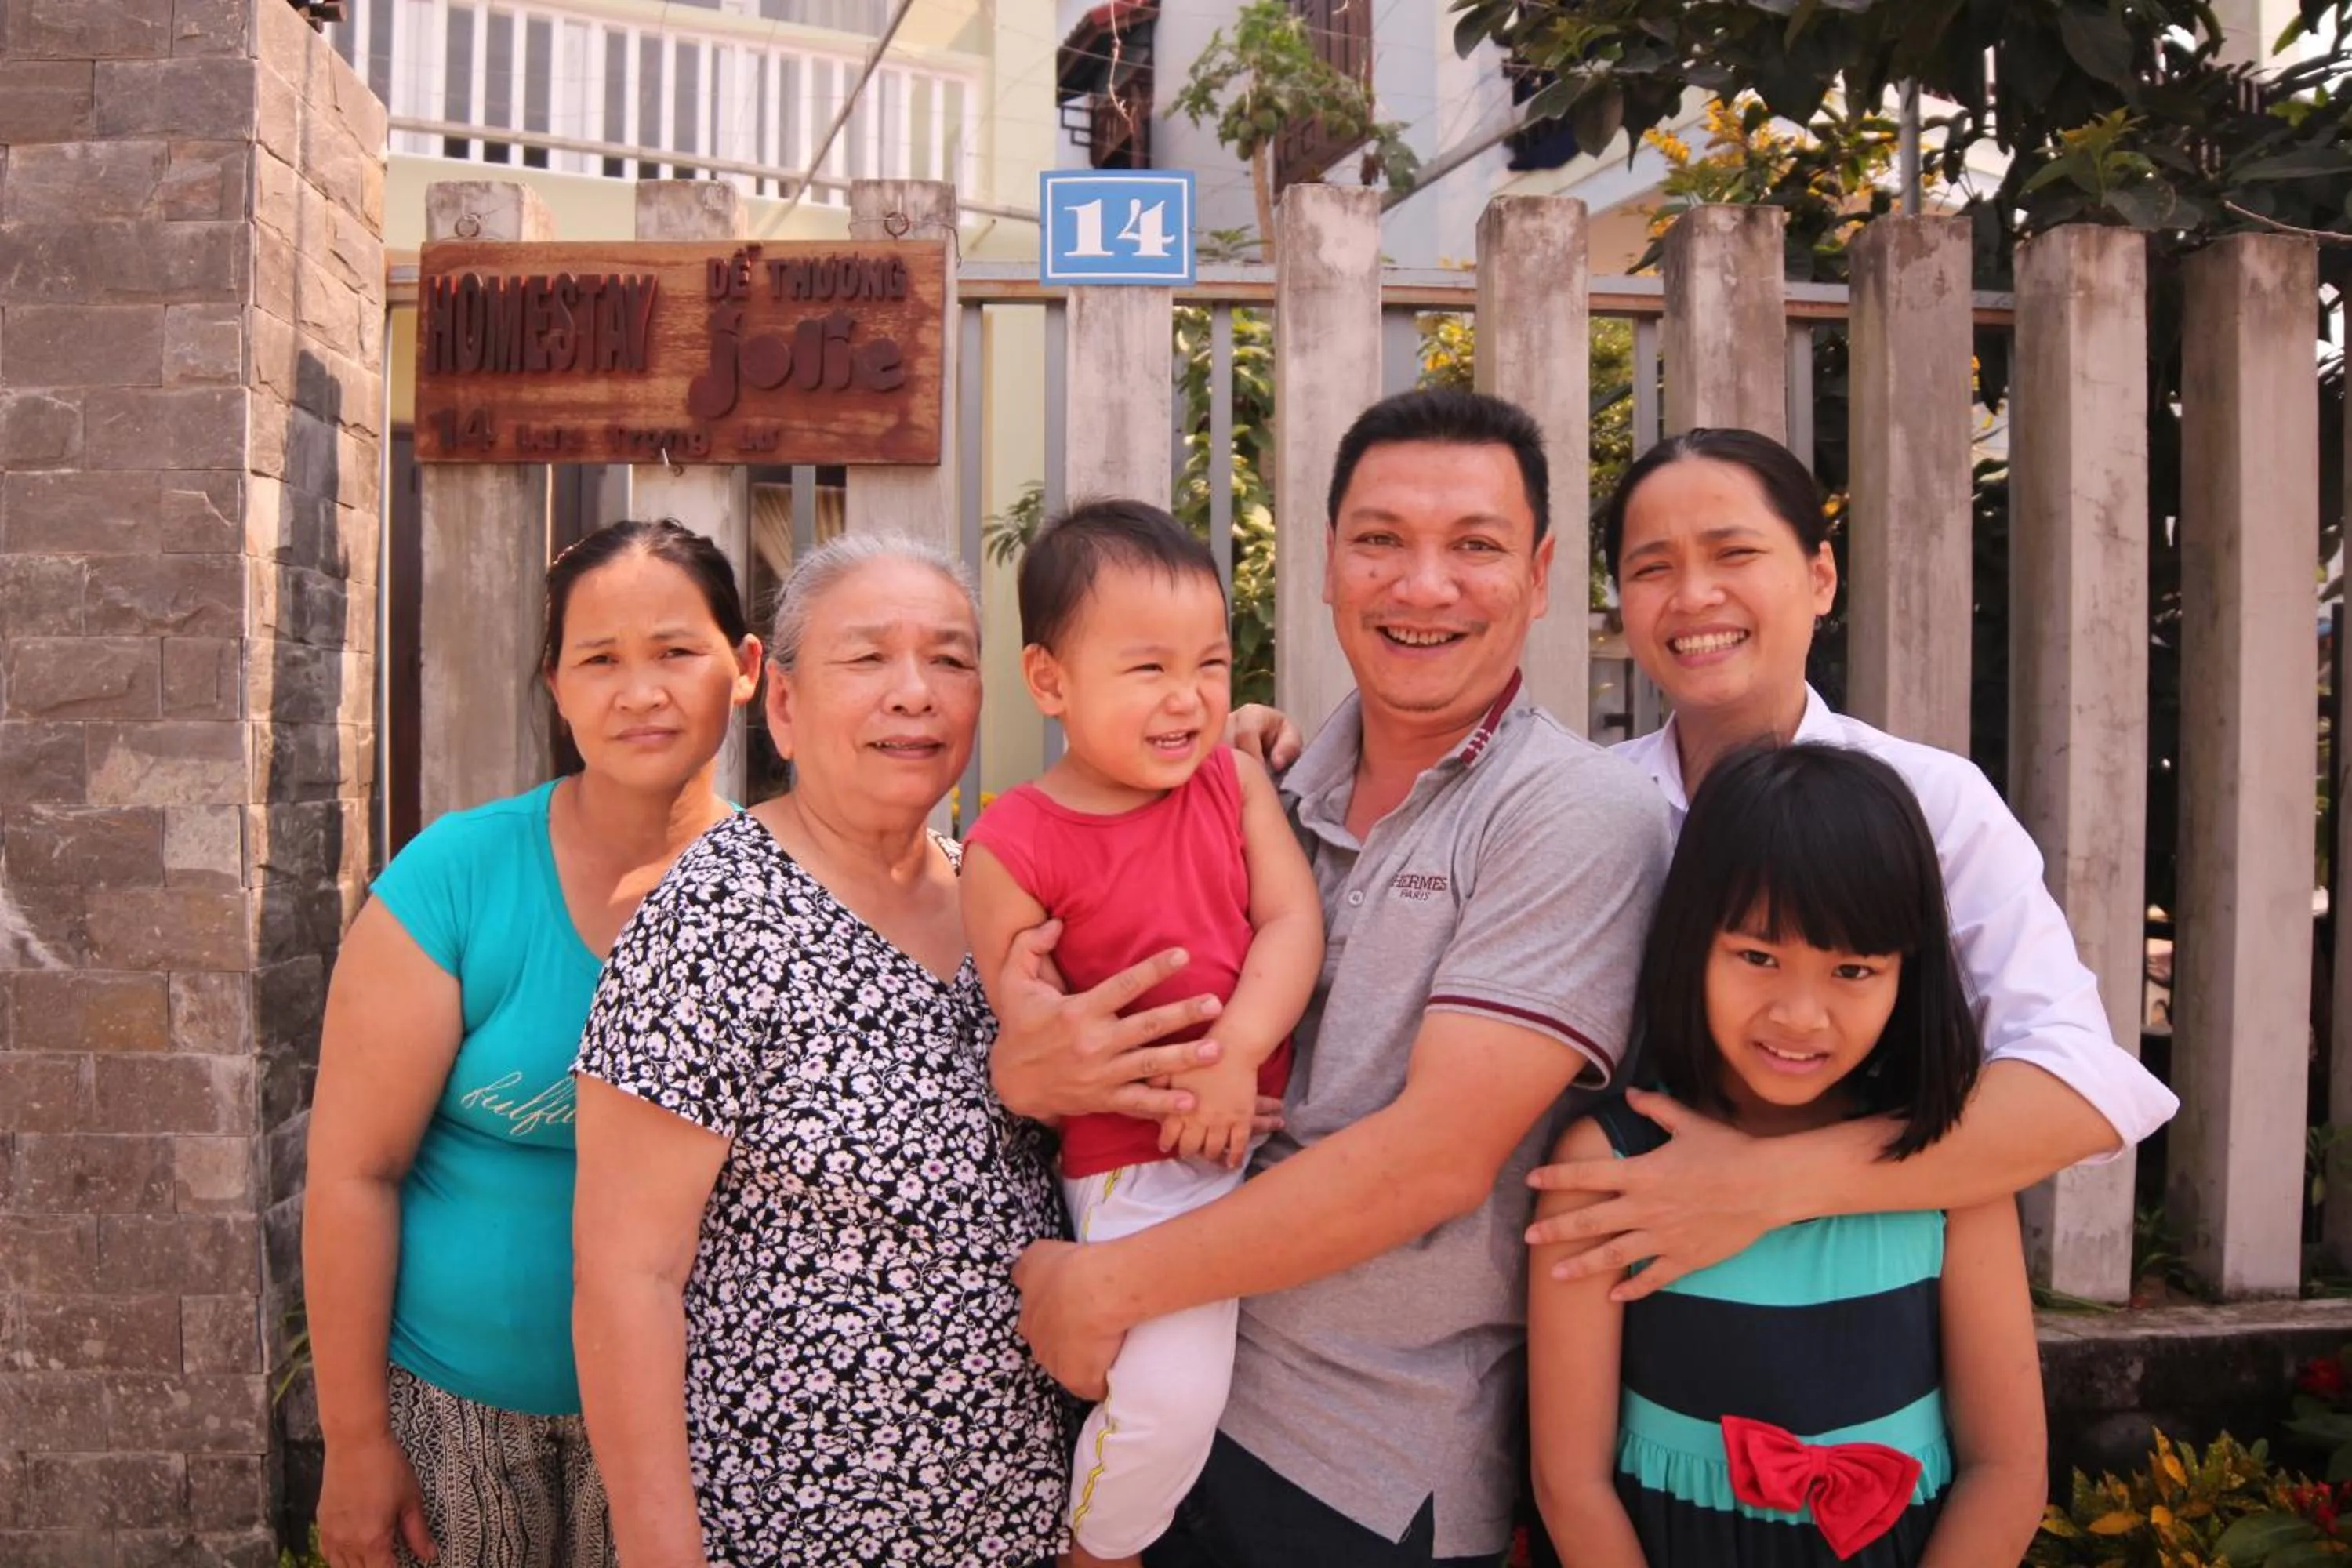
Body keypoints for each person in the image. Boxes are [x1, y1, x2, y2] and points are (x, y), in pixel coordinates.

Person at [1002, 389, 1676, 1567]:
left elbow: (1433, 1161)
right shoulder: (1262, 781)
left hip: (1353, 1464)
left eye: (1474, 546)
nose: (1422, 586)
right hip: (1154, 1384)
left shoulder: (1574, 815)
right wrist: (1029, 1059)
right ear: (1325, 564)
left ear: (1542, 571)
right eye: (1380, 541)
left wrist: (1099, 1288)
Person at [1523, 429, 2179, 1296]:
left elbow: (2079, 1084)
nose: (1695, 594)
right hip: (1608, 1291)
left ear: (1820, 576)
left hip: (1868, 1290)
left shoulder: (1929, 798)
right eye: (1652, 568)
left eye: (1735, 552)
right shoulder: (1581, 806)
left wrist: (1762, 1184)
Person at [572, 533, 1089, 1568]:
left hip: (1016, 1522)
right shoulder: (712, 916)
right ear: (787, 707)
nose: (917, 695)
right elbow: (627, 1273)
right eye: (868, 659)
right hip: (783, 1527)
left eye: (949, 659)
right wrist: (659, 1552)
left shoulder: (1003, 898)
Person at [303, 519, 761, 1568]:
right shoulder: (457, 878)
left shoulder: (779, 898)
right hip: (455, 1414)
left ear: (744, 669)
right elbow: (353, 1174)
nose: (639, 692)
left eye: (676, 652)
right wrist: (356, 1440)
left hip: (688, 1417)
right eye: (599, 660)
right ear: (555, 685)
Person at [1530, 743, 2046, 1568]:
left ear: (1906, 976)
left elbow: (2009, 1468)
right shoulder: (1608, 1173)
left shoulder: (1952, 1175)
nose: (1801, 1014)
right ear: (1689, 943)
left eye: (1853, 968)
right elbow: (1570, 1482)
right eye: (1758, 956)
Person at [961, 501, 1325, 1568]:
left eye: (1210, 663)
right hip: (1141, 1168)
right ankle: (1100, 1551)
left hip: (1261, 1131)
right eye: (1147, 669)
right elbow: (1036, 1041)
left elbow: (1289, 921)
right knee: (1172, 1399)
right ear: (1050, 681)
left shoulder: (1233, 779)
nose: (1188, 698)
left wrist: (1239, 1052)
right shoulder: (1012, 843)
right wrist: (1183, 1089)